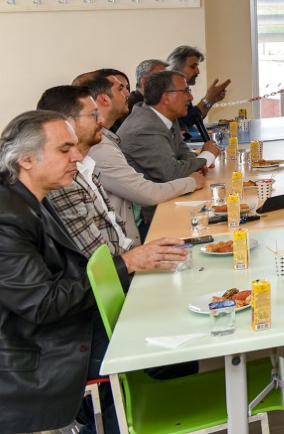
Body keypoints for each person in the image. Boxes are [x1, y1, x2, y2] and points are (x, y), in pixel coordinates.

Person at [0, 110, 189, 434]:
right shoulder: (8, 216)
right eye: (64, 149)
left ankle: (128, 416)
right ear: (26, 159)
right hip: (36, 349)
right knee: (168, 350)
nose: (77, 156)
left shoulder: (30, 197)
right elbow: (41, 304)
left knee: (171, 323)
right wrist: (128, 263)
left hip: (65, 323)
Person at [75, 70, 202, 238]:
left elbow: (181, 150)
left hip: (136, 221)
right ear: (103, 99)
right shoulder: (100, 147)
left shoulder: (107, 137)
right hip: (129, 235)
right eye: (121, 89)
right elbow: (147, 193)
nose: (128, 94)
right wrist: (192, 182)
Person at [37, 85, 136, 258]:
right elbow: (97, 256)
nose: (101, 120)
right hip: (116, 268)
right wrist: (137, 258)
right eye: (94, 115)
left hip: (124, 257)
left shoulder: (85, 165)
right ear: (67, 123)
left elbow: (115, 227)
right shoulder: (63, 181)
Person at [117, 69, 222, 184]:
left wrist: (196, 166)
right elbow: (171, 173)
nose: (190, 97)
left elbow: (182, 152)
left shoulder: (166, 116)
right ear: (166, 98)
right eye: (185, 91)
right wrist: (207, 156)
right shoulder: (145, 127)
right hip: (149, 194)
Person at [167, 44, 230, 142]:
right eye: (193, 67)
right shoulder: (169, 91)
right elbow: (187, 120)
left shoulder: (184, 89)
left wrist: (211, 101)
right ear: (176, 69)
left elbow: (194, 117)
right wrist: (207, 99)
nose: (198, 71)